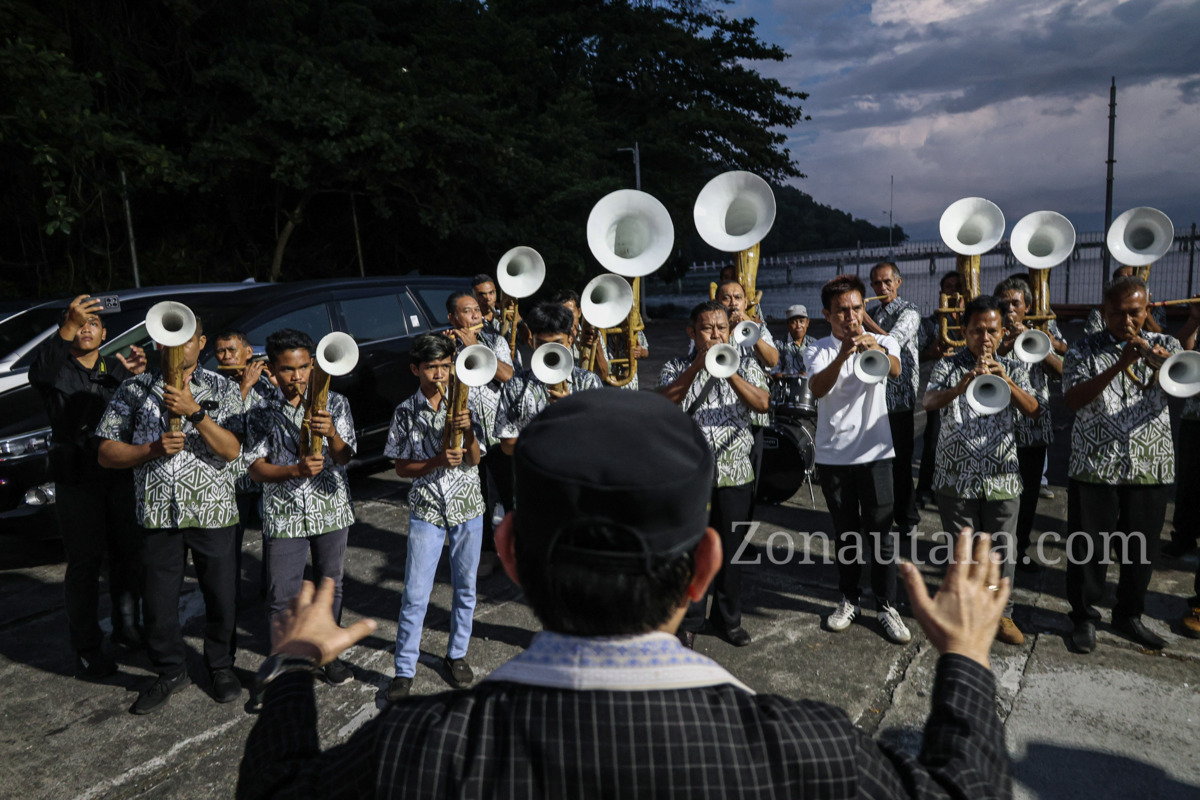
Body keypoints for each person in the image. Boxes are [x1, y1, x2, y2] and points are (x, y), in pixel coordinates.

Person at [238, 389, 1014, 800]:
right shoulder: (808, 747)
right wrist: (966, 659)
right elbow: (964, 788)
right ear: (706, 566)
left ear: (506, 551)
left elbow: (275, 789)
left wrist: (298, 664)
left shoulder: (416, 743)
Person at [96, 314, 245, 714]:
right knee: (158, 600)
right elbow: (106, 453)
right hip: (157, 514)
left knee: (221, 596)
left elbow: (232, 450)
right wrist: (151, 450)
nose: (176, 346)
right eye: (166, 339)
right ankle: (170, 671)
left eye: (187, 338)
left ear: (201, 343)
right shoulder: (133, 389)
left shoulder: (224, 389)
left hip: (212, 512)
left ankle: (219, 666)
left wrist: (195, 412)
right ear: (156, 344)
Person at [28, 294, 147, 677]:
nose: (85, 329)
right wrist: (68, 322)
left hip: (118, 474)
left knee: (128, 554)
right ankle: (86, 646)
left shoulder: (116, 366)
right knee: (84, 563)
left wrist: (136, 376)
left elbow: (138, 412)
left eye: (92, 324)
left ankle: (127, 627)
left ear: (104, 332)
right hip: (76, 477)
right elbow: (39, 371)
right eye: (79, 323)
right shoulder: (54, 368)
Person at [1063, 275, 1180, 653]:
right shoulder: (1083, 350)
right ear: (1104, 312)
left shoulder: (1169, 346)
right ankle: (1083, 617)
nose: (1126, 321)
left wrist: (1158, 361)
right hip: (1095, 463)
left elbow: (1188, 386)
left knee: (1141, 548)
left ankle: (1129, 614)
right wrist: (1118, 365)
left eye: (1134, 313)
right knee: (1088, 548)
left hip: (1150, 463)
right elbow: (1073, 400)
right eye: (1116, 314)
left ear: (1147, 310)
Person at [923, 295, 1042, 646]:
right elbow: (928, 402)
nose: (985, 338)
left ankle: (1000, 614)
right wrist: (961, 385)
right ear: (964, 331)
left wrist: (1007, 382)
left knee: (1001, 552)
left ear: (1003, 331)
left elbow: (1035, 410)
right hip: (955, 476)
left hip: (1001, 478)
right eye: (977, 331)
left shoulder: (1014, 366)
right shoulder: (948, 364)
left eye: (992, 331)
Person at [245, 329, 358, 686]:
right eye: (288, 370)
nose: (297, 377)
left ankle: (327, 653)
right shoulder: (260, 410)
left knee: (330, 584)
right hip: (284, 511)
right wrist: (294, 470)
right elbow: (255, 468)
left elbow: (345, 457)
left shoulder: (336, 403)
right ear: (272, 371)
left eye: (304, 367)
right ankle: (284, 662)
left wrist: (333, 435)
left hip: (330, 507)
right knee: (282, 593)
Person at [804, 275, 910, 643]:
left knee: (881, 533)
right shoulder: (817, 349)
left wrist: (874, 348)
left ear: (864, 309)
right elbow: (817, 388)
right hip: (834, 456)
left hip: (877, 452)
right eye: (842, 311)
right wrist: (844, 354)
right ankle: (849, 599)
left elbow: (896, 370)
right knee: (846, 533)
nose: (851, 317)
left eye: (856, 308)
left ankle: (886, 605)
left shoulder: (882, 339)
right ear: (827, 315)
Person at [658, 300, 769, 647]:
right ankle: (689, 621)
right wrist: (697, 365)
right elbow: (664, 402)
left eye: (722, 327)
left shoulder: (746, 363)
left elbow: (763, 403)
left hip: (736, 471)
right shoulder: (675, 365)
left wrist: (729, 370)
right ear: (693, 332)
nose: (717, 334)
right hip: (690, 475)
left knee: (731, 550)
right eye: (708, 328)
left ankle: (728, 620)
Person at [383, 333, 486, 700]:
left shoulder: (469, 400)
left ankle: (456, 654)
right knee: (415, 592)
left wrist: (468, 429)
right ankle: (404, 668)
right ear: (416, 369)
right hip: (427, 506)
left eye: (445, 366)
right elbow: (400, 467)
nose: (440, 374)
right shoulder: (404, 411)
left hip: (468, 506)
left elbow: (475, 459)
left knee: (465, 588)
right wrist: (437, 461)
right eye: (431, 368)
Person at [444, 291, 514, 573]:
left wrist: (477, 348)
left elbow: (509, 376)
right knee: (479, 498)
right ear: (452, 318)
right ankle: (487, 552)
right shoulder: (446, 345)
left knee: (512, 493)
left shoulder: (494, 340)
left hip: (501, 434)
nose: (476, 315)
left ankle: (517, 549)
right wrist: (451, 351)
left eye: (476, 309)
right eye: (467, 311)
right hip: (469, 436)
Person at [992, 279, 1059, 572]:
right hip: (998, 429)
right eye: (1004, 304)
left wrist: (1036, 340)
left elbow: (1062, 371)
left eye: (1015, 303)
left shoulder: (1044, 326)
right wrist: (1004, 343)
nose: (1009, 310)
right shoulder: (990, 328)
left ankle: (1020, 550)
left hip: (1033, 428)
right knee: (999, 496)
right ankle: (996, 552)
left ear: (1027, 306)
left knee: (1028, 495)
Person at [215, 329, 276, 601]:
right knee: (230, 545)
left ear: (248, 353)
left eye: (232, 350)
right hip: (233, 479)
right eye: (221, 352)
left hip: (265, 473)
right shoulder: (213, 384)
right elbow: (216, 425)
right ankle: (231, 600)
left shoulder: (268, 383)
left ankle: (271, 592)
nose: (226, 357)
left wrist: (277, 386)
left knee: (273, 538)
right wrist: (244, 388)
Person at [496, 302, 602, 455]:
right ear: (532, 342)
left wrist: (570, 410)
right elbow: (507, 446)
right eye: (542, 344)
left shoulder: (588, 382)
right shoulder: (515, 385)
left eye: (558, 344)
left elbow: (596, 436)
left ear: (570, 340)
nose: (551, 351)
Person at [863, 262, 922, 536]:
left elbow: (893, 341)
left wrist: (865, 321)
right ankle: (881, 515)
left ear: (898, 282)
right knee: (877, 459)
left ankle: (908, 517)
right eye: (876, 283)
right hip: (875, 393)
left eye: (887, 282)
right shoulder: (874, 311)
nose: (882, 287)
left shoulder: (910, 311)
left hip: (899, 394)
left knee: (901, 459)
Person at [916, 271, 963, 508]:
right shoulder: (931, 324)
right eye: (948, 288)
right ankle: (924, 488)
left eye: (958, 288)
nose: (953, 292)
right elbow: (913, 355)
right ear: (941, 294)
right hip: (940, 388)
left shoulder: (972, 323)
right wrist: (930, 354)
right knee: (933, 440)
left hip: (966, 389)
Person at [1083, 266, 1166, 334]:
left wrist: (1144, 308)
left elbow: (1157, 333)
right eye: (1122, 279)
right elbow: (1092, 336)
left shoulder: (1155, 308)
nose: (1127, 283)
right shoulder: (1099, 311)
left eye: (1132, 279)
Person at [774, 303, 813, 375]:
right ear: (788, 325)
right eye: (793, 322)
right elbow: (774, 373)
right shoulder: (778, 346)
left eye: (801, 321)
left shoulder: (815, 345)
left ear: (807, 323)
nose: (798, 326)